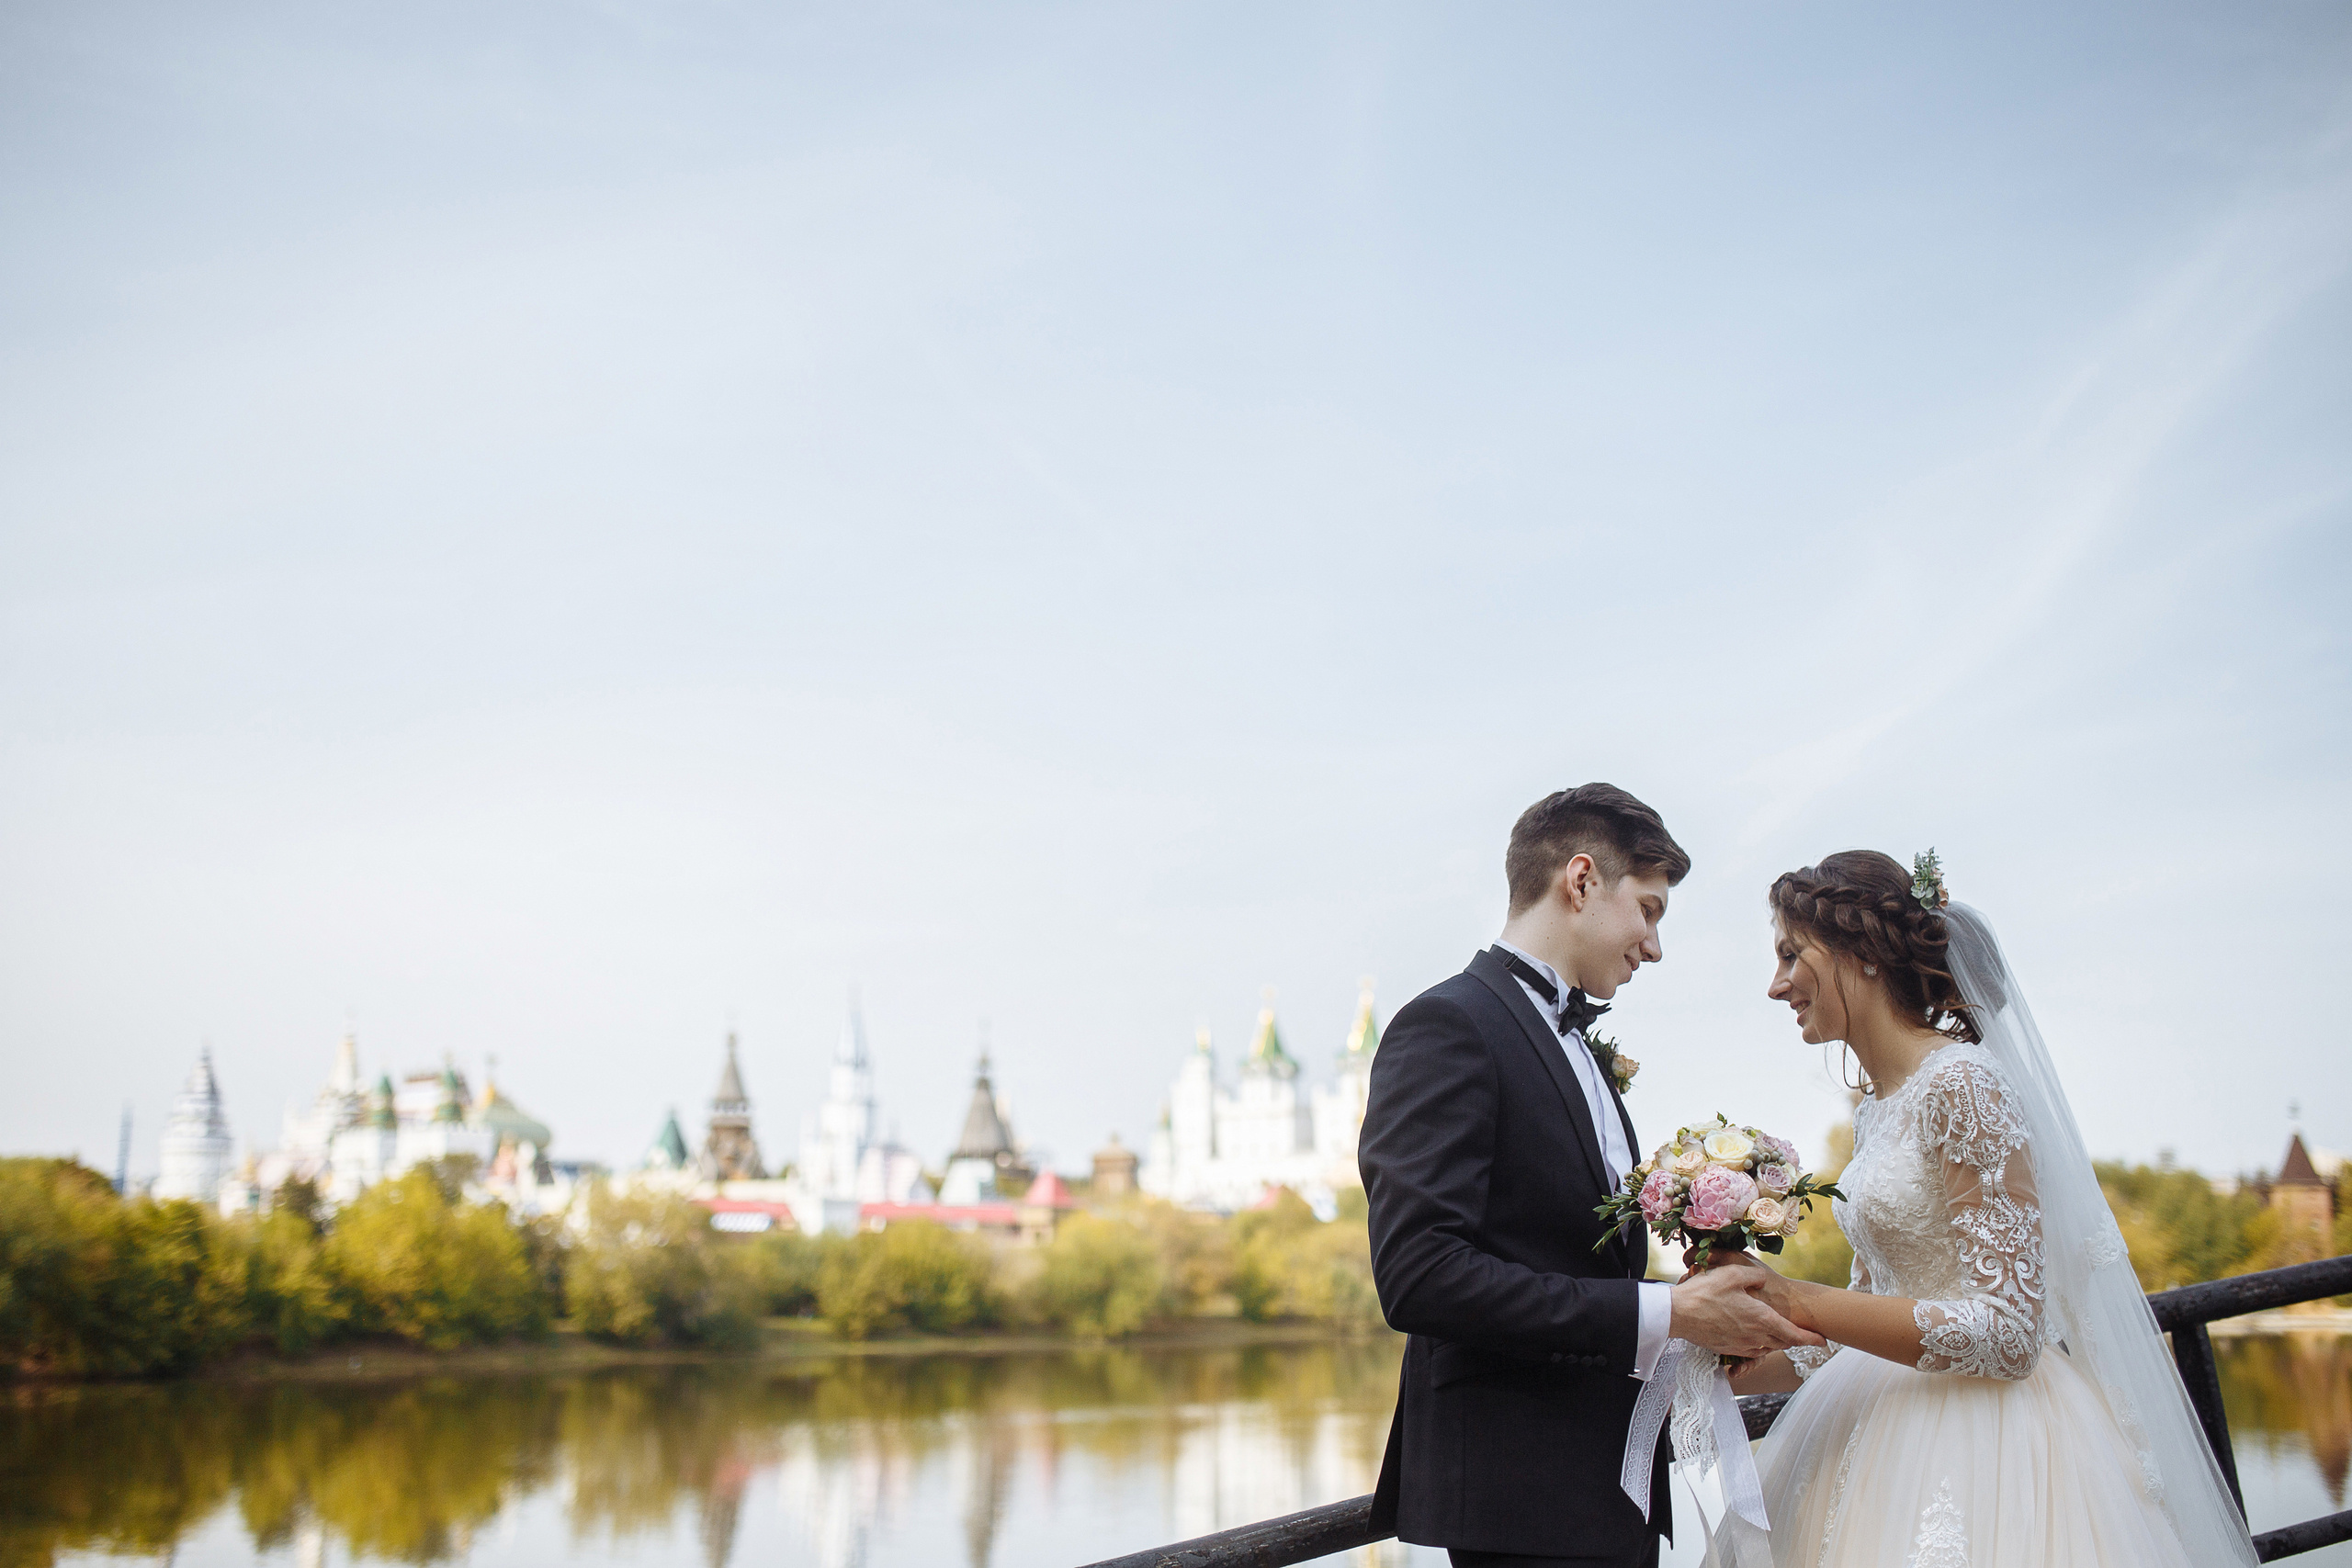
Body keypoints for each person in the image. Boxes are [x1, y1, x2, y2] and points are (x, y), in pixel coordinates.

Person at [1698, 850, 2256, 1568]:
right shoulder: (1880, 1109)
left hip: (1988, 1448)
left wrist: (1798, 1295)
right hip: (1873, 1430)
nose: (1776, 986)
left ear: (1861, 952)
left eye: (1789, 955)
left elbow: (2010, 1334)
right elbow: (1867, 1318)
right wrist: (1742, 1349)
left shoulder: (1964, 1085)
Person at [1359, 784, 1824, 1568]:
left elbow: (1578, 1257)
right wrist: (1668, 1311)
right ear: (1580, 881)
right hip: (1519, 1495)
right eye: (1649, 909)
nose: (1654, 944)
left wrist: (1699, 1308)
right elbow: (1421, 1276)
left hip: (1613, 1487)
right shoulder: (1449, 1025)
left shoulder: (1578, 1043)